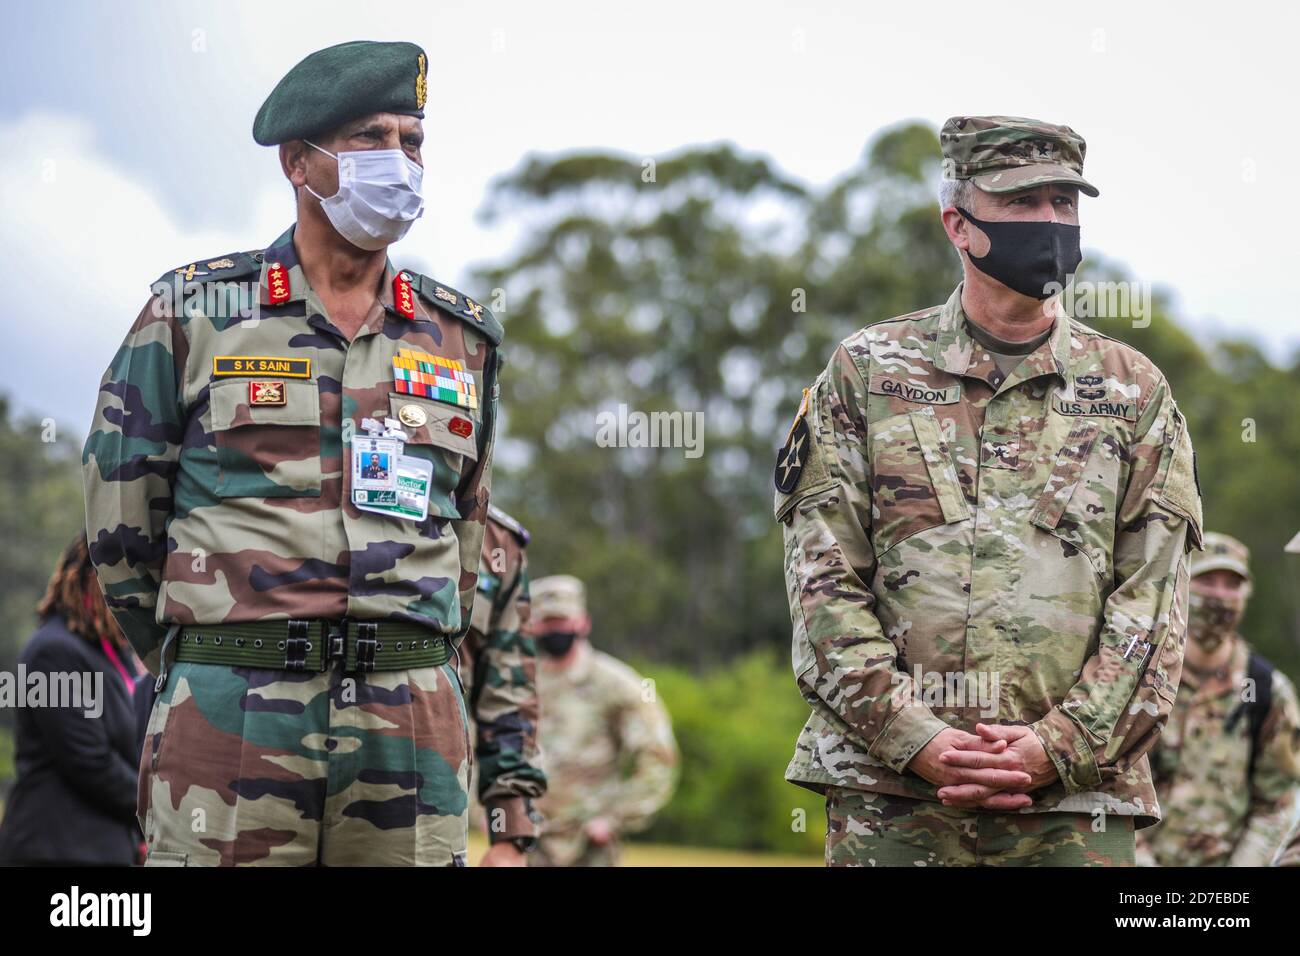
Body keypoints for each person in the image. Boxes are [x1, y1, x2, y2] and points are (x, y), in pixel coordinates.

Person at [82, 40, 502, 866]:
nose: (399, 161)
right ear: (298, 163)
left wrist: (421, 651)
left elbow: (466, 524)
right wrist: (204, 658)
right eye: (370, 139)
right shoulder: (195, 312)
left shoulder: (459, 336)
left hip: (411, 718)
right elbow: (121, 526)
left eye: (411, 141)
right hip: (233, 707)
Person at [775, 115, 1203, 866]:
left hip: (1074, 800)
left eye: (1064, 205)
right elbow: (824, 587)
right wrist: (918, 740)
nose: (1050, 224)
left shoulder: (1135, 393)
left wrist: (1058, 746)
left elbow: (1154, 606)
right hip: (894, 796)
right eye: (1023, 203)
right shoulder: (867, 373)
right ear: (959, 225)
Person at [1137, 533, 1300, 866]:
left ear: (1246, 594)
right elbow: (1112, 789)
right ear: (1182, 586)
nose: (1219, 596)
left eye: (1232, 584)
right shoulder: (1143, 680)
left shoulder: (1267, 689)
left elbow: (1277, 804)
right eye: (1207, 580)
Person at [0, 534, 142, 866]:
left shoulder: (110, 654)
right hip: (54, 850)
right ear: (90, 580)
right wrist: (156, 806)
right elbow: (90, 763)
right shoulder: (52, 652)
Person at [528, 575, 678, 866]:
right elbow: (478, 746)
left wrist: (615, 816)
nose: (554, 629)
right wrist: (488, 813)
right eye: (546, 622)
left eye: (562, 620)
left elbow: (659, 756)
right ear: (532, 626)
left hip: (589, 848)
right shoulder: (517, 684)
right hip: (530, 843)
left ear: (583, 622)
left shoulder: (618, 685)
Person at [461, 504, 547, 866]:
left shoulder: (494, 542)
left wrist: (510, 834)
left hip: (416, 803)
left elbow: (507, 694)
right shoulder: (268, 490)